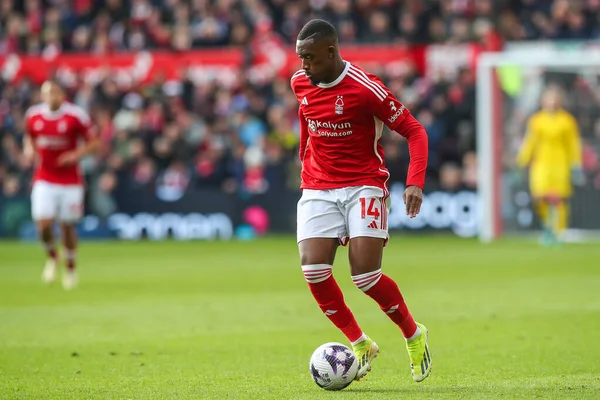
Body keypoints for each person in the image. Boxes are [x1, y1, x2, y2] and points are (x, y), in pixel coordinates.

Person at [291, 19, 431, 382]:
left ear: (331, 52)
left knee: (365, 276)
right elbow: (307, 119)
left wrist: (415, 182)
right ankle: (360, 342)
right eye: (301, 58)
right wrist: (303, 152)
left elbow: (415, 131)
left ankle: (413, 336)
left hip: (363, 186)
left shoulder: (364, 88)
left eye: (310, 58)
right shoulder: (300, 82)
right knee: (313, 270)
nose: (304, 66)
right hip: (318, 187)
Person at [23, 80, 99, 290]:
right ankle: (52, 257)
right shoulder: (34, 116)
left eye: (55, 93)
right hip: (44, 177)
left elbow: (94, 142)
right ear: (42, 96)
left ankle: (71, 268)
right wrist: (29, 150)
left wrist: (75, 155)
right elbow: (29, 137)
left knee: (67, 226)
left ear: (62, 95)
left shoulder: (75, 116)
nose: (52, 97)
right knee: (43, 224)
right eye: (47, 93)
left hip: (70, 180)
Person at [517, 87, 583, 245]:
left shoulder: (567, 121)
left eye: (555, 99)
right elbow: (530, 142)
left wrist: (576, 164)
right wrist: (522, 160)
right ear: (543, 101)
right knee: (541, 198)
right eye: (549, 99)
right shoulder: (536, 120)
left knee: (559, 199)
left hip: (561, 164)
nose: (552, 102)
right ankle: (548, 227)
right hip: (541, 164)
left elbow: (573, 144)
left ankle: (559, 231)